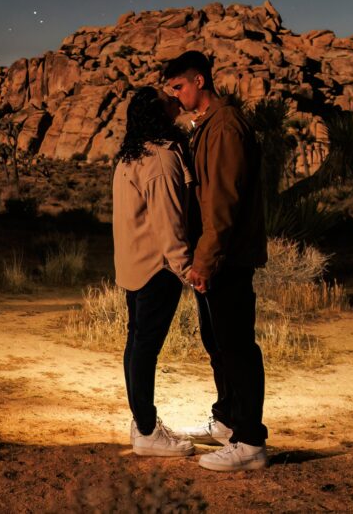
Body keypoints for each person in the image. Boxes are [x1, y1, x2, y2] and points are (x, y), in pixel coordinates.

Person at [161, 50, 270, 472]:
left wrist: (204, 262)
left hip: (227, 257)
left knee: (237, 346)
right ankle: (228, 421)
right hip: (220, 255)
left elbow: (222, 203)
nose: (176, 95)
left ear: (200, 81)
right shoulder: (208, 126)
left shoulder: (224, 127)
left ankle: (250, 442)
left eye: (180, 87)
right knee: (219, 343)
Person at [111, 87, 197, 457]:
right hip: (157, 268)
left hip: (134, 266)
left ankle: (142, 422)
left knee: (137, 345)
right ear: (157, 113)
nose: (175, 101)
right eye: (168, 100)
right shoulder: (160, 159)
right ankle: (146, 430)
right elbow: (168, 220)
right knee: (145, 347)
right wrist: (186, 268)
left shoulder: (131, 156)